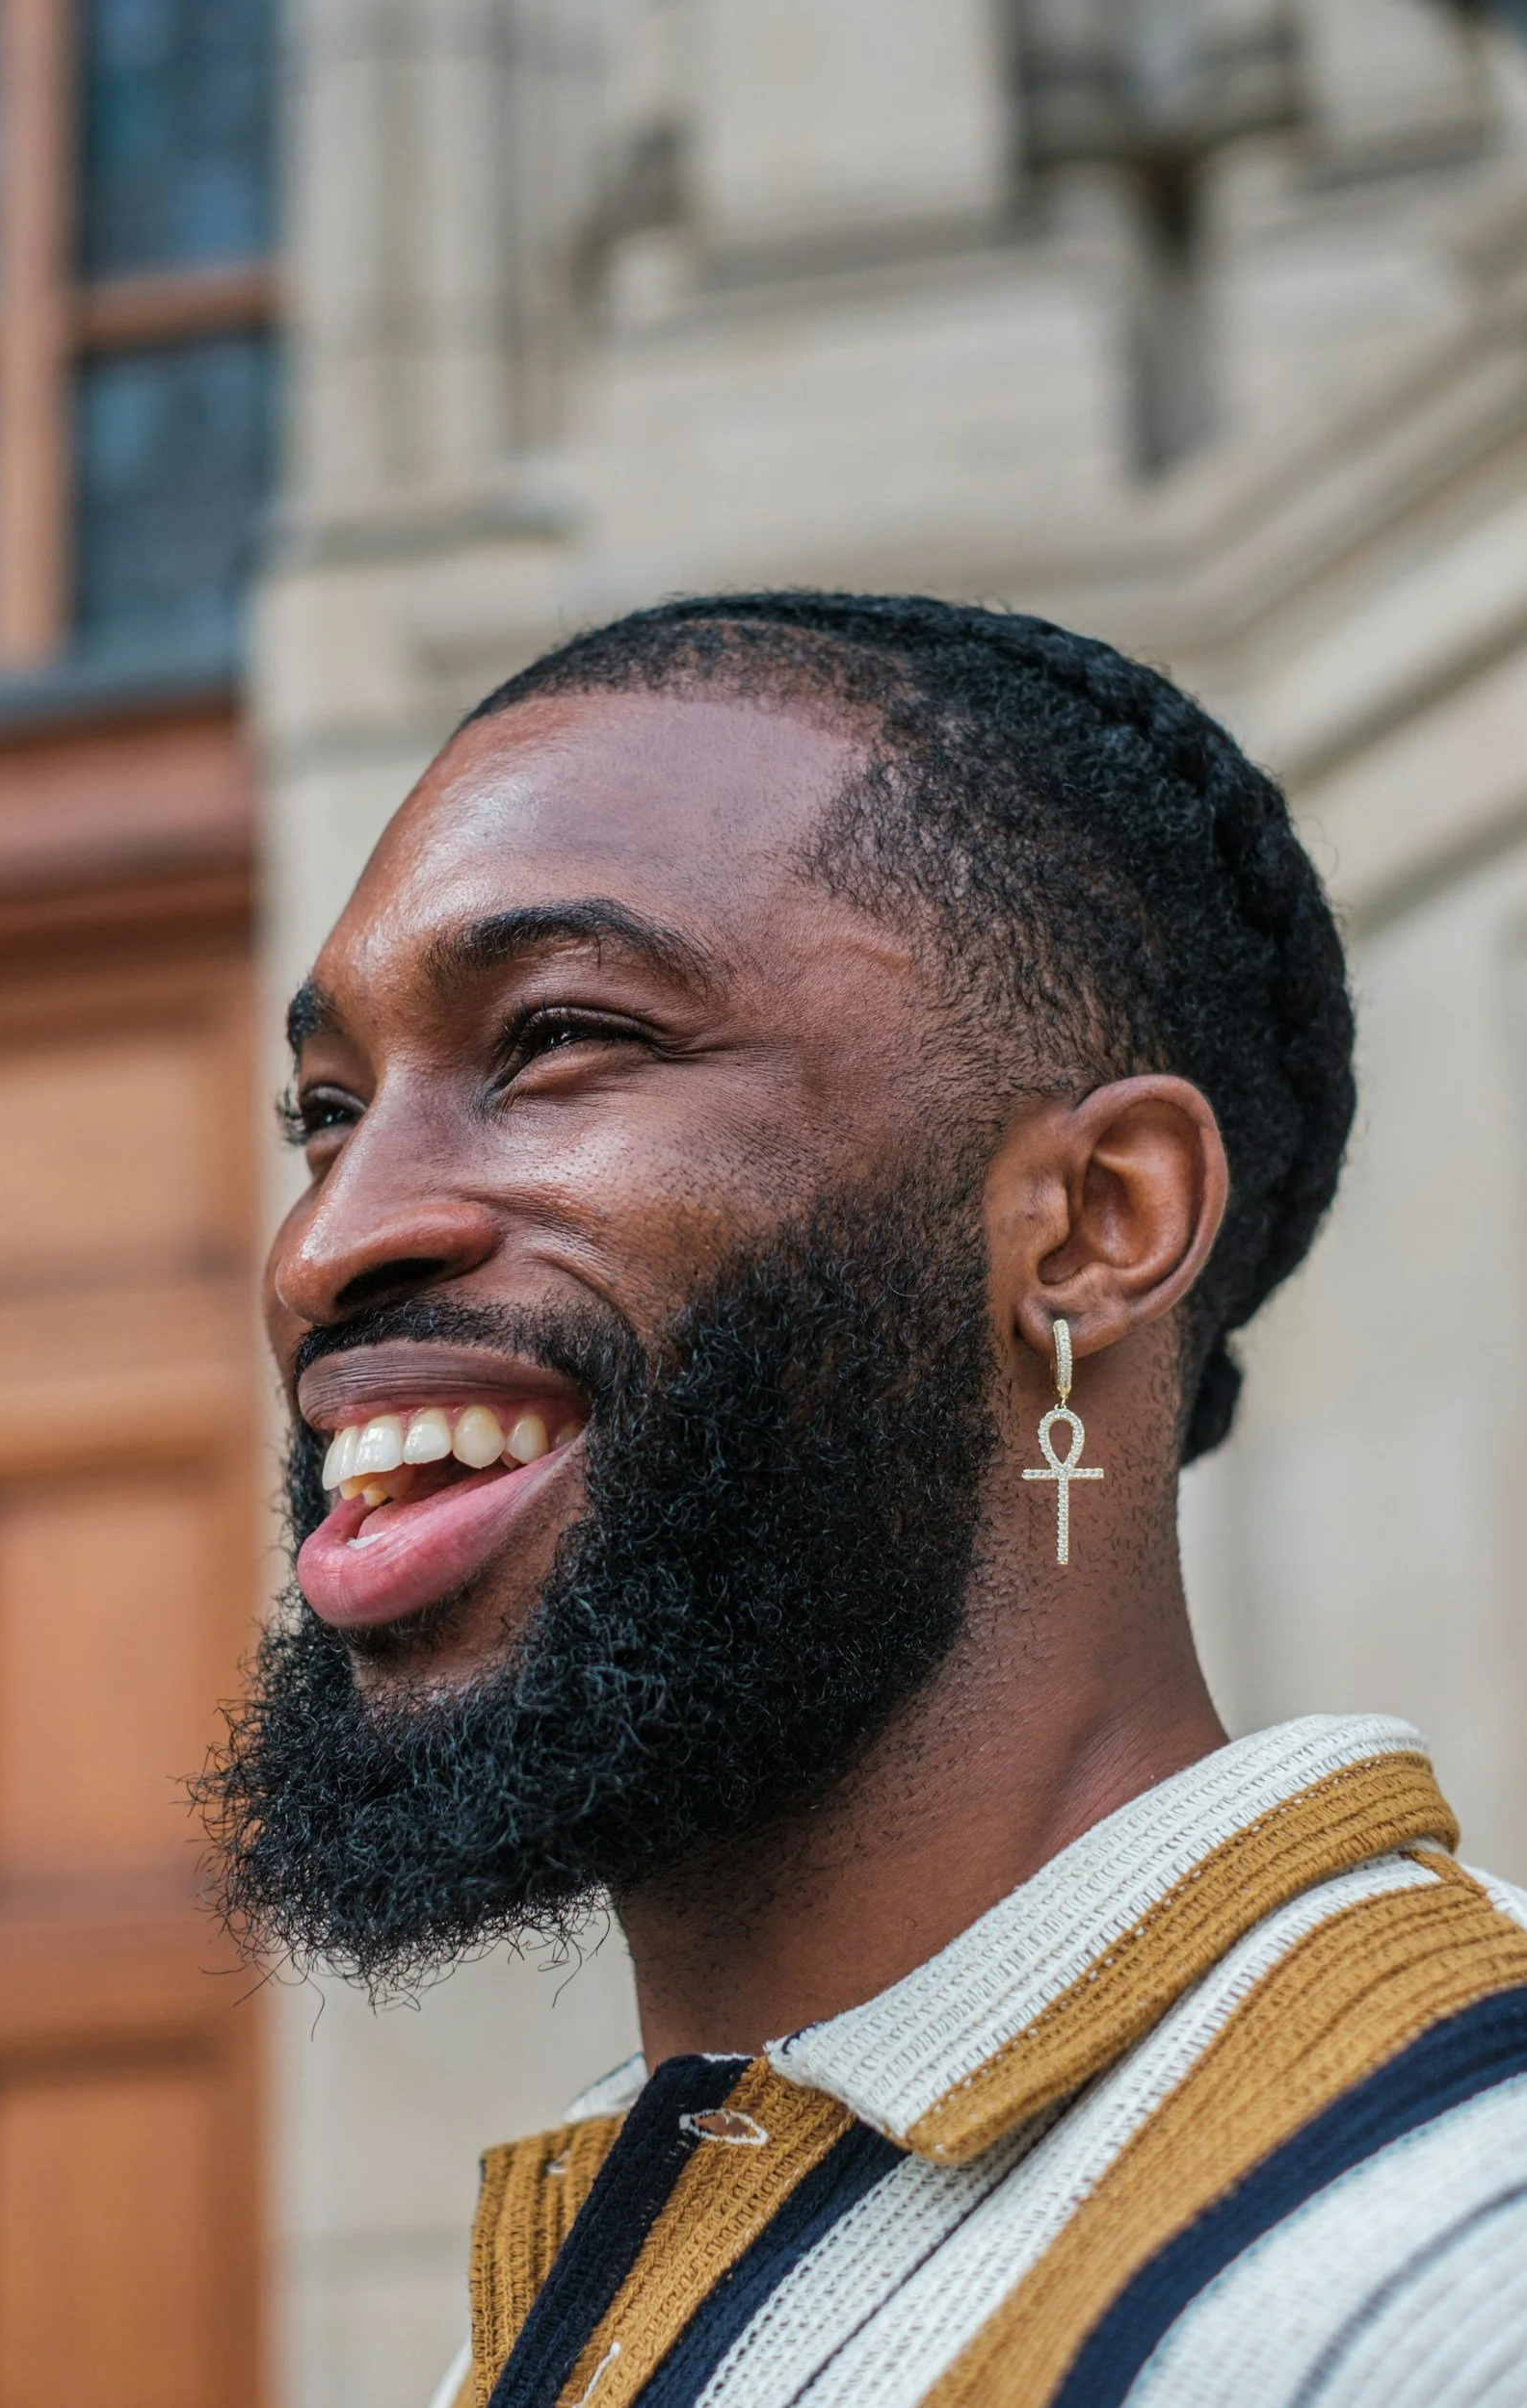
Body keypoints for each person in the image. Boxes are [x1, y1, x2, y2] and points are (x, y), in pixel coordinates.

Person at [201, 593, 1527, 2407]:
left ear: (1092, 1225)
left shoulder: (1452, 2272)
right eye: (329, 1110)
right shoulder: (604, 2277)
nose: (326, 1246)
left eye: (558, 1037)